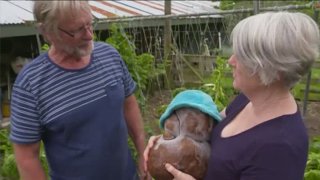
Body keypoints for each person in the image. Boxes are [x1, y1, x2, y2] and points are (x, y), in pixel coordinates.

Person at [144, 11, 320, 180]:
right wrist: (166, 144)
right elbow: (204, 133)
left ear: (274, 69)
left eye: (242, 56)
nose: (231, 61)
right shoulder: (248, 100)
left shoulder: (281, 147)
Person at [10, 1, 147, 180]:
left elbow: (129, 104)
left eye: (90, 24)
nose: (89, 35)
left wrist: (142, 152)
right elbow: (27, 157)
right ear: (47, 32)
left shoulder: (110, 55)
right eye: (77, 30)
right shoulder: (30, 84)